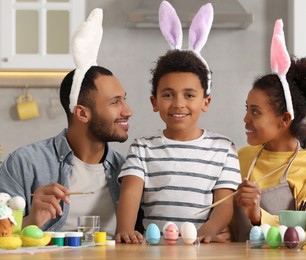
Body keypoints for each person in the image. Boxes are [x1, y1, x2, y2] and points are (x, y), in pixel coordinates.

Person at [0, 9, 142, 238]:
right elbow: (2, 236)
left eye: (124, 99)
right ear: (82, 113)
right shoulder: (24, 164)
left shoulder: (127, 171)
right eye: (115, 102)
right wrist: (31, 220)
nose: (128, 111)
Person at [115, 1, 241, 244]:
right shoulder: (142, 148)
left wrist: (209, 230)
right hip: (154, 248)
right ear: (154, 102)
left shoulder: (223, 148)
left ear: (206, 101)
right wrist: (124, 229)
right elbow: (130, 193)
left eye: (189, 95)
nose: (178, 103)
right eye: (168, 94)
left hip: (202, 246)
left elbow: (224, 204)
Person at [232, 19, 306, 241]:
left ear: (284, 119)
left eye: (256, 112)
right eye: (247, 109)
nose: (246, 118)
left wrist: (259, 215)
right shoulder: (240, 158)